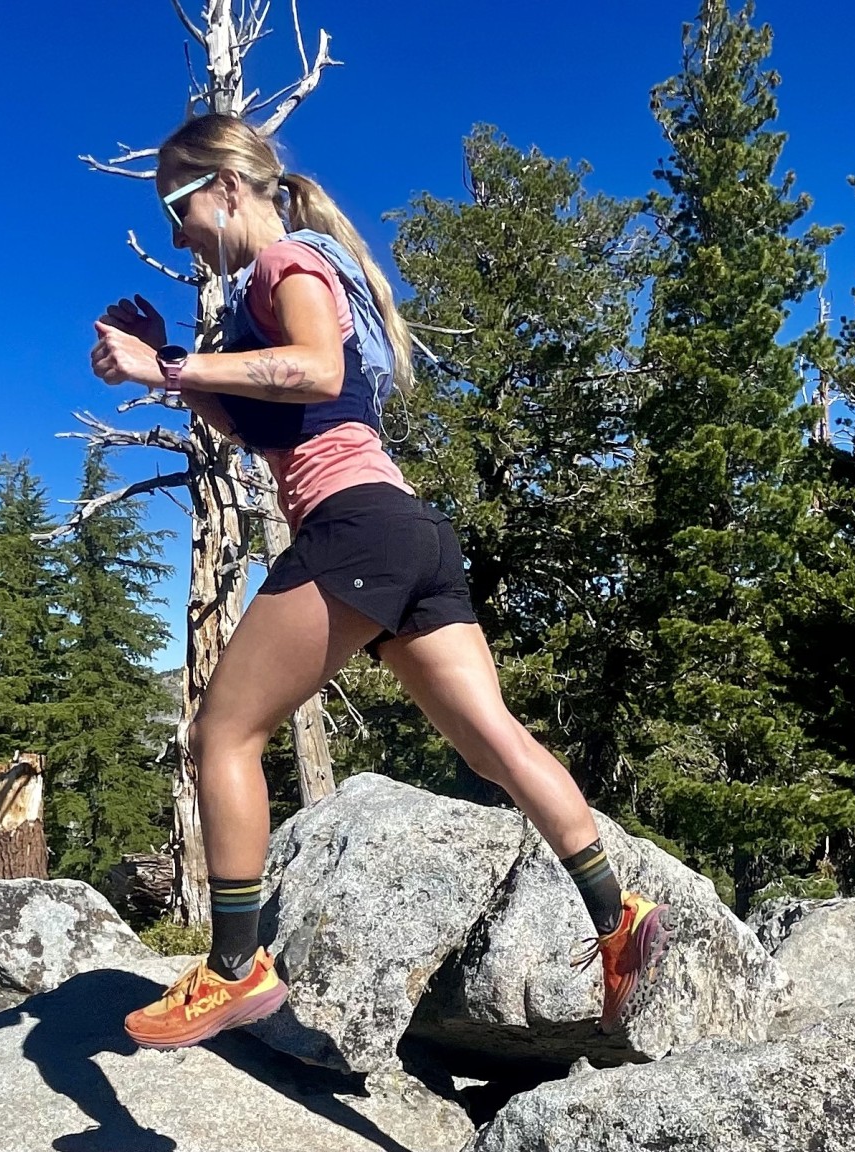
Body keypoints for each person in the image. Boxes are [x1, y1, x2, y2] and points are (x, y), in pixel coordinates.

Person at [88, 113, 669, 1050]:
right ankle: (617, 916)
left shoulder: (284, 263)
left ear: (226, 188)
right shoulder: (293, 277)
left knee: (223, 733)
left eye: (175, 208)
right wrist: (170, 374)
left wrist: (172, 362)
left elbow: (316, 372)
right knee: (494, 741)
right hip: (408, 533)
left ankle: (234, 968)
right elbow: (268, 425)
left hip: (354, 525)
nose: (178, 235)